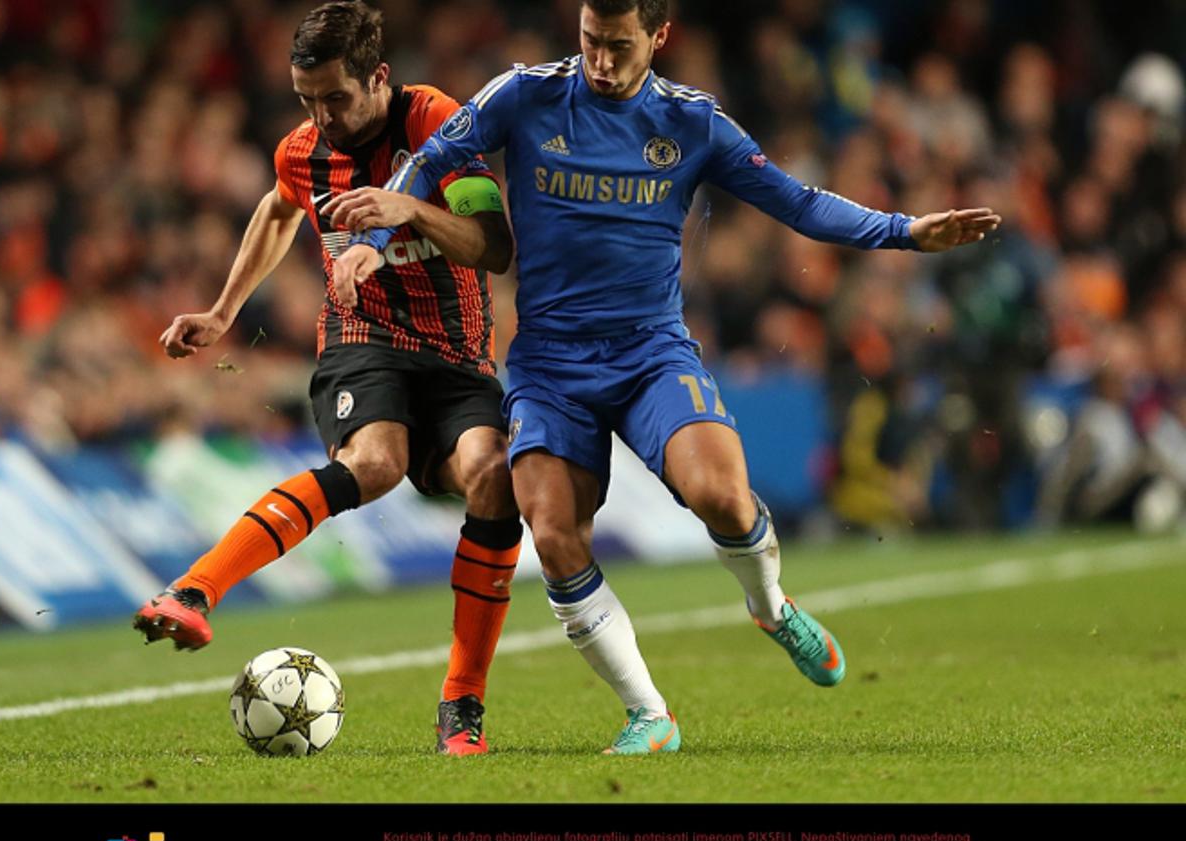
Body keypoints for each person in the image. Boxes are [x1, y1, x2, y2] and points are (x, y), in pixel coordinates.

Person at [329, 0, 1001, 754]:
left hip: (651, 355)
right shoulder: (524, 94)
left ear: (660, 37)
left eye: (619, 47)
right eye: (590, 42)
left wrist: (905, 231)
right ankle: (649, 713)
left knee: (721, 495)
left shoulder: (693, 122)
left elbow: (799, 204)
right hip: (550, 367)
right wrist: (377, 236)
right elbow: (430, 160)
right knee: (552, 534)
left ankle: (772, 607)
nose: (602, 63)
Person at [133, 1, 521, 756]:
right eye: (306, 100)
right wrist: (221, 311)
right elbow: (279, 211)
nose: (322, 117)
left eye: (335, 99)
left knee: (494, 476)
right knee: (373, 463)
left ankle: (461, 705)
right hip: (362, 339)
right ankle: (192, 591)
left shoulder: (437, 124)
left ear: (379, 77)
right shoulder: (303, 150)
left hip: (456, 355)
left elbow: (493, 245)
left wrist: (405, 210)